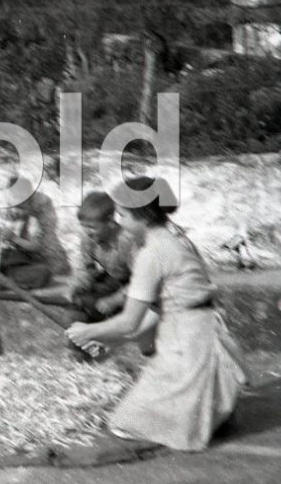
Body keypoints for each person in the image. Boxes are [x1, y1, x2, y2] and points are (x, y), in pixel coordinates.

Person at [67, 176, 247, 452]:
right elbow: (159, 309)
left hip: (189, 341)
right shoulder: (175, 238)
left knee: (123, 423)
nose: (119, 221)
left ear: (142, 217)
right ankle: (209, 410)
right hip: (193, 330)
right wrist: (112, 340)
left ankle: (199, 413)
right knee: (149, 409)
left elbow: (130, 321)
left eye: (123, 215)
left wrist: (88, 331)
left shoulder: (153, 253)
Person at [68, 191, 139, 322]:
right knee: (79, 299)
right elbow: (86, 266)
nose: (87, 231)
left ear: (110, 221)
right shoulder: (88, 238)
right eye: (83, 225)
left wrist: (115, 300)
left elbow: (142, 280)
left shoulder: (127, 241)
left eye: (92, 227)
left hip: (134, 285)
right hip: (113, 279)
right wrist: (81, 281)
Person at [0, 176, 55, 289]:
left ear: (28, 204)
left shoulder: (32, 221)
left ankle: (1, 282)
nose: (13, 210)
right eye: (9, 205)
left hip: (16, 267)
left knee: (44, 271)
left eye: (19, 207)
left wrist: (14, 238)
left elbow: (35, 247)